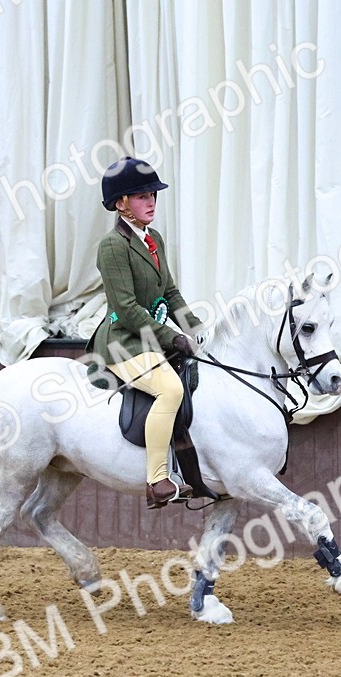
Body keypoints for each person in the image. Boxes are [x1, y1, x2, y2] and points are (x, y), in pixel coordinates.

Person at [88, 157, 205, 509]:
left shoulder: (154, 238)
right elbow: (126, 308)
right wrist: (173, 338)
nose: (151, 201)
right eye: (141, 196)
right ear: (121, 203)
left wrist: (195, 327)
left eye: (153, 194)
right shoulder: (112, 246)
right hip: (124, 341)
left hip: (149, 336)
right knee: (169, 390)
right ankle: (157, 480)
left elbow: (168, 292)